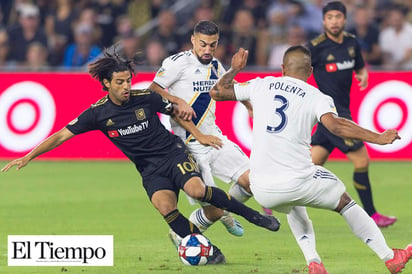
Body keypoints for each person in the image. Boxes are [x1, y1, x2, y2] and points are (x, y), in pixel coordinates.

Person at [1, 47, 280, 264]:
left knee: (197, 189)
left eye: (128, 81)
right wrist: (28, 156)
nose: (126, 87)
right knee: (165, 208)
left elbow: (178, 115)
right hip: (149, 169)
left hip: (172, 154)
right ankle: (207, 250)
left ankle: (254, 217)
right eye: (120, 82)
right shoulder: (97, 114)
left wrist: (201, 135)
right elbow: (62, 134)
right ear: (107, 83)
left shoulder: (145, 97)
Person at [210, 45, 411, 274]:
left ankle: (314, 263)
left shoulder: (261, 84)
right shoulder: (317, 97)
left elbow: (217, 92)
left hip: (262, 188)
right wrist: (378, 137)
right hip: (296, 180)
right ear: (311, 71)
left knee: (295, 207)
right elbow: (336, 126)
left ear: (283, 68)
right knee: (344, 201)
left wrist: (234, 70)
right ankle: (389, 256)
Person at [149, 20, 271, 242]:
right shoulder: (177, 63)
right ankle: (194, 227)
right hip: (188, 145)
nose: (207, 50)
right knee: (212, 210)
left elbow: (225, 87)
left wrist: (248, 105)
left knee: (253, 182)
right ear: (193, 40)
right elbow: (153, 89)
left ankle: (224, 209)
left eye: (212, 45)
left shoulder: (215, 65)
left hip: (214, 138)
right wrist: (176, 99)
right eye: (203, 44)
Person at [306, 1, 396, 227]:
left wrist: (362, 74)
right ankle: (373, 214)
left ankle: (269, 192)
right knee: (361, 159)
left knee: (310, 166)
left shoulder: (352, 43)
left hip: (340, 111)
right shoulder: (315, 47)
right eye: (330, 17)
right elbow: (295, 69)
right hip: (332, 114)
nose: (334, 21)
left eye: (338, 17)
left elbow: (359, 65)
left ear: (344, 19)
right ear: (324, 21)